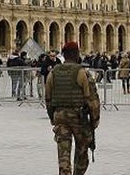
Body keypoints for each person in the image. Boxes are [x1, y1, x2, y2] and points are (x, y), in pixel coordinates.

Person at [45, 42, 100, 175]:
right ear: (76, 54)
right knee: (82, 152)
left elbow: (48, 99)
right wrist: (95, 120)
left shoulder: (53, 73)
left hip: (60, 117)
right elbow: (92, 100)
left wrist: (52, 117)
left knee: (63, 155)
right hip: (78, 117)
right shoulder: (82, 73)